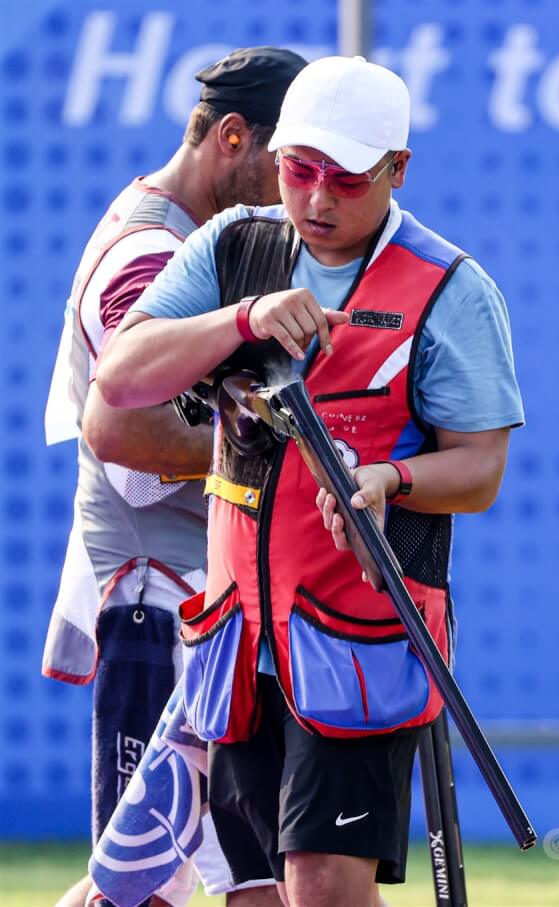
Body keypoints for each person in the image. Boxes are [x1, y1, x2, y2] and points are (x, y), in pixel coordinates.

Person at [96, 55, 525, 907]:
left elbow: (479, 469)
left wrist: (391, 478)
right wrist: (242, 319)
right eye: (299, 171)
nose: (319, 200)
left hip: (360, 635)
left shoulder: (451, 288)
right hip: (236, 637)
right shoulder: (233, 247)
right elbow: (120, 379)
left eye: (347, 179)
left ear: (398, 171)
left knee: (323, 886)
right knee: (255, 889)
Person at [44, 46, 306, 907]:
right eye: (289, 166)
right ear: (234, 137)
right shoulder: (151, 252)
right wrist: (271, 450)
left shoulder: (187, 235)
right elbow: (116, 421)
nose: (300, 196)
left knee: (250, 882)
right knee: (137, 893)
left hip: (209, 609)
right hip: (163, 604)